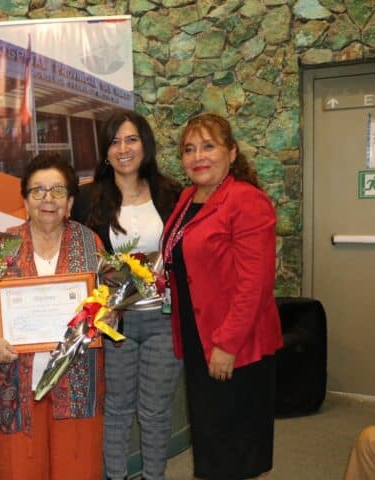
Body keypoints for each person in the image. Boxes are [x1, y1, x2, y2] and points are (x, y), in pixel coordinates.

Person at [0, 152, 105, 480]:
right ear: (25, 201)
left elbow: (104, 298)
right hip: (13, 384)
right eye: (38, 190)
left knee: (77, 468)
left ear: (70, 201)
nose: (48, 199)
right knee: (19, 470)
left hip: (77, 383)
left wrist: (106, 318)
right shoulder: (1, 246)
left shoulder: (89, 242)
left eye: (58, 190)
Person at [162, 113, 283, 479]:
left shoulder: (246, 200)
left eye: (208, 146)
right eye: (189, 149)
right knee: (212, 439)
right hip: (199, 336)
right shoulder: (188, 197)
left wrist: (227, 344)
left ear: (231, 153)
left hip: (235, 344)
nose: (198, 156)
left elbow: (255, 284)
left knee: (235, 446)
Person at [71, 109, 183, 480]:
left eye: (131, 139)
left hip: (163, 321)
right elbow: (79, 255)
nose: (123, 149)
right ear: (105, 151)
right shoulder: (88, 198)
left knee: (155, 412)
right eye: (115, 142)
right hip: (114, 323)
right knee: (117, 410)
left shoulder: (172, 194)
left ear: (145, 145)